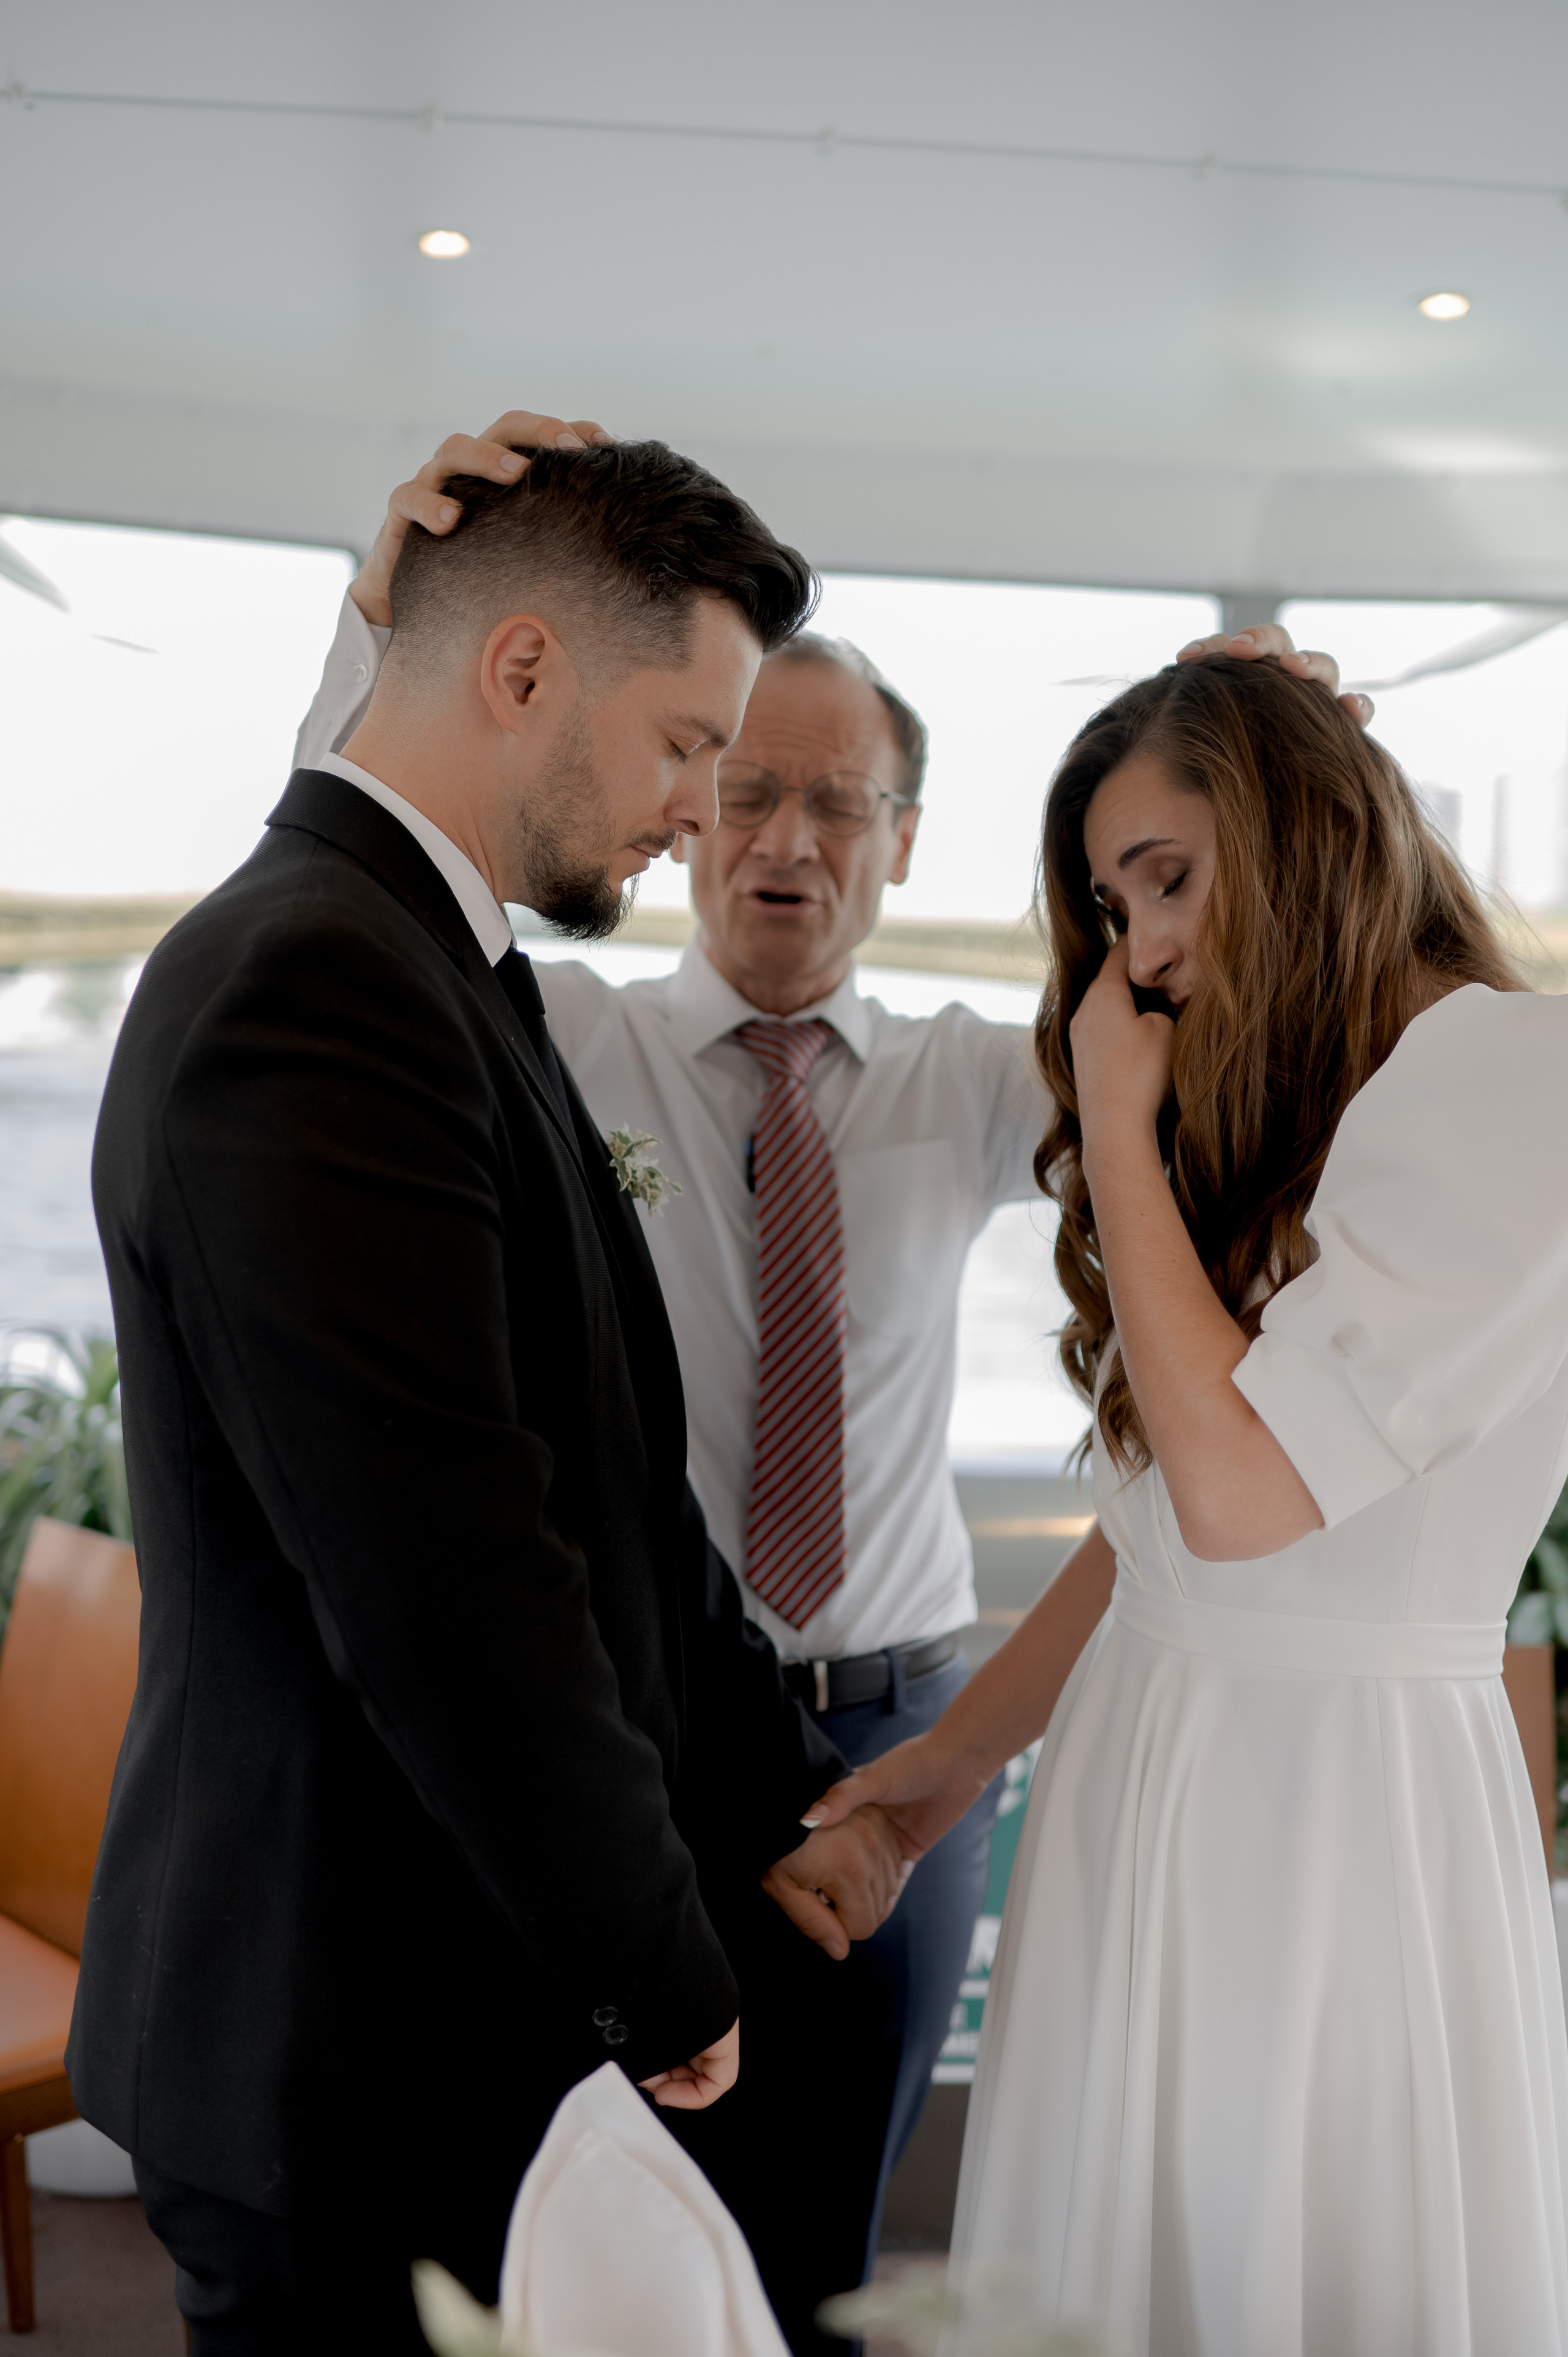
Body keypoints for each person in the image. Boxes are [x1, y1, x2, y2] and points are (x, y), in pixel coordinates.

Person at [297, 412, 1372, 2272]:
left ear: (900, 840)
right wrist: (375, 626)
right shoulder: (559, 1040)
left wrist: (1312, 761)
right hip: (638, 1741)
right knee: (606, 2245)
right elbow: (358, 915)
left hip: (901, 1734)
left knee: (831, 2245)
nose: (781, 842)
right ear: (688, 795)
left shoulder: (982, 1084)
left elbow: (1259, 1035)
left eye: (838, 805)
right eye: (739, 784)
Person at [69, 437, 911, 2356]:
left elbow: (606, 1478)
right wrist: (662, 1969)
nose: (705, 816)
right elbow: (451, 1582)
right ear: (522, 672)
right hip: (344, 2029)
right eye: (690, 746)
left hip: (433, 1991)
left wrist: (785, 1802)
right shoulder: (316, 986)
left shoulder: (432, 963)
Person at [807, 648, 1568, 2351]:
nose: (1140, 950)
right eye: (1108, 899)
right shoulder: (1318, 1094)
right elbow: (1155, 1536)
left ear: (1303, 825)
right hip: (1147, 1765)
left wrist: (1124, 1127)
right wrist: (940, 1776)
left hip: (1341, 1814)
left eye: (1170, 878)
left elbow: (1238, 1500)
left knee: (1293, 2252)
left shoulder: (1522, 1079)